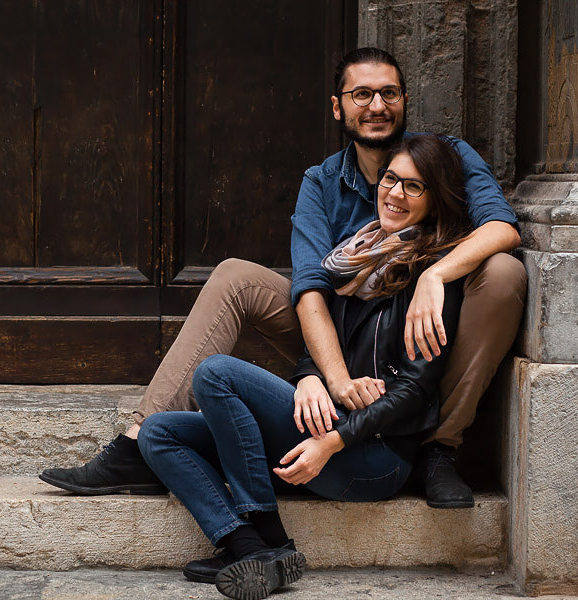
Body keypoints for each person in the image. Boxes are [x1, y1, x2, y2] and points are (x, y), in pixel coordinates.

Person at [40, 47, 526, 508]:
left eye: (389, 94)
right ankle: (138, 444)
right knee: (234, 277)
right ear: (339, 108)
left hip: (423, 333)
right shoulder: (321, 181)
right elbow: (310, 288)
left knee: (504, 273)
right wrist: (329, 378)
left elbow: (502, 227)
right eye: (362, 95)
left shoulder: (447, 156)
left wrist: (434, 276)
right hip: (341, 332)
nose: (377, 106)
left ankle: (440, 447)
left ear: (404, 101)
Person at [137, 134, 473, 600]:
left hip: (373, 455)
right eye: (391, 179)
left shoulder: (432, 278)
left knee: (216, 372)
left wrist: (332, 442)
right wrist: (311, 376)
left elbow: (415, 391)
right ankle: (247, 544)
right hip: (328, 424)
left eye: (413, 187)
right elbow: (321, 339)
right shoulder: (355, 254)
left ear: (436, 200)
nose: (395, 193)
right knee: (159, 433)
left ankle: (269, 535)